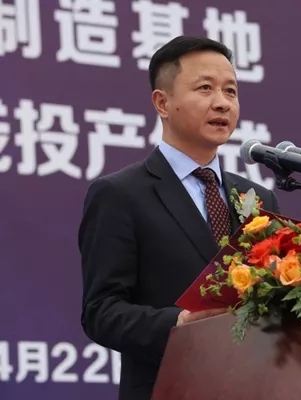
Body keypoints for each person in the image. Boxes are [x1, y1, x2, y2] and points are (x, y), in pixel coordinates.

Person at [78, 36, 280, 400]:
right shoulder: (121, 194)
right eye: (205, 88)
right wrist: (178, 323)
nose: (222, 102)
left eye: (230, 91)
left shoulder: (259, 199)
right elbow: (101, 311)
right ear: (162, 103)